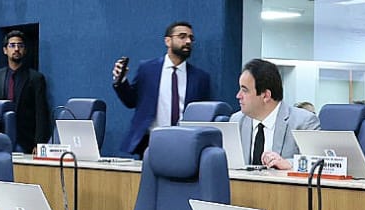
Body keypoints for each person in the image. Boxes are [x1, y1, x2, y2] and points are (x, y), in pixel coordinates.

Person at [112, 21, 213, 156]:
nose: (188, 41)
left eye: (191, 38)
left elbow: (203, 114)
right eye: (182, 36)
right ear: (168, 41)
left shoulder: (200, 78)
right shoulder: (147, 69)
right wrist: (121, 80)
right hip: (151, 141)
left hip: (186, 143)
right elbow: (131, 101)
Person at [227, 58, 319, 169]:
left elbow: (319, 162)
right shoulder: (237, 121)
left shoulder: (304, 122)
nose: (238, 96)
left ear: (266, 95)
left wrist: (289, 164)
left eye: (245, 90)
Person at [0, 30, 51, 152]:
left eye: (20, 45)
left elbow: (41, 113)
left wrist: (39, 143)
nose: (16, 49)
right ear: (5, 50)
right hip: (1, 137)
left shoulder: (35, 78)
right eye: (12, 45)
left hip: (26, 140)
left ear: (25, 50)